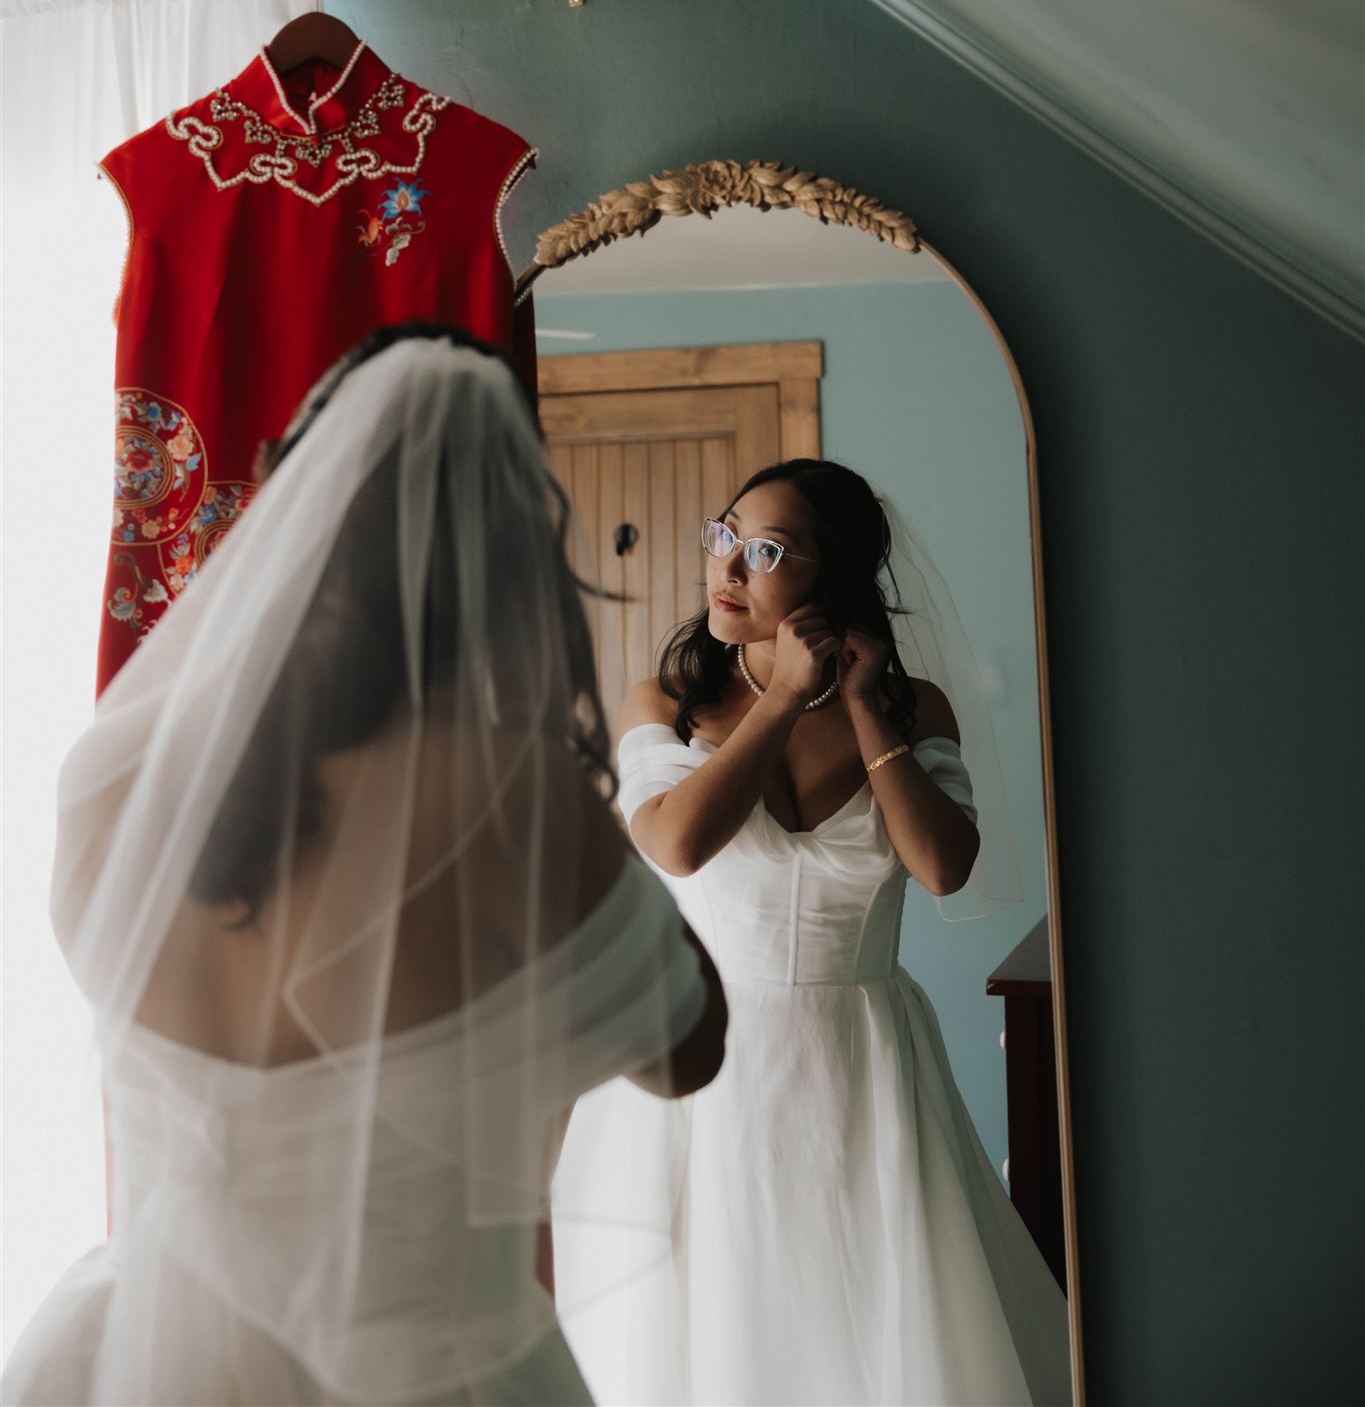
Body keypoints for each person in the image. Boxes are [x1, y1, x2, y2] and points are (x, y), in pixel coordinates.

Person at [2, 324, 726, 1407]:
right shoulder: (508, 796)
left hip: (147, 1359)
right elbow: (689, 1046)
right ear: (510, 563)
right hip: (431, 1372)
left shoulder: (116, 777)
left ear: (285, 516)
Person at [552, 458, 1072, 1407]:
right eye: (725, 534)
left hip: (859, 1054)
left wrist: (870, 713)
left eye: (766, 550)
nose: (729, 568)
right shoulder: (660, 704)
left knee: (868, 1310)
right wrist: (784, 696)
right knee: (700, 1324)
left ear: (828, 582)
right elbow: (675, 844)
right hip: (696, 1063)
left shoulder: (912, 714)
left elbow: (942, 865)